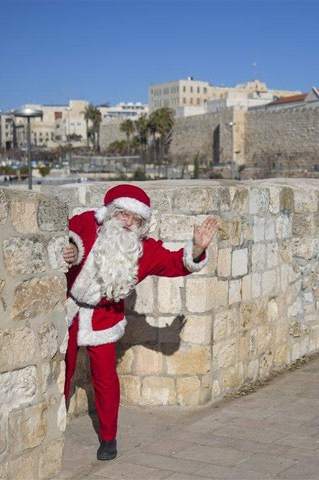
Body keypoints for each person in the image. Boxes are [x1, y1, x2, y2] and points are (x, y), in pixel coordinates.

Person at [62, 184, 218, 461]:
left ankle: (108, 438)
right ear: (111, 213)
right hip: (67, 309)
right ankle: (53, 424)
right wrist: (68, 252)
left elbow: (175, 263)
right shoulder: (85, 223)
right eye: (124, 215)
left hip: (103, 317)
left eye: (137, 220)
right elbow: (61, 238)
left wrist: (196, 247)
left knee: (105, 378)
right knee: (63, 369)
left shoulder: (144, 251)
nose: (129, 224)